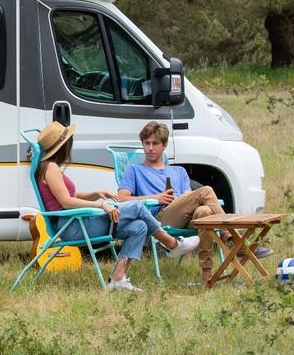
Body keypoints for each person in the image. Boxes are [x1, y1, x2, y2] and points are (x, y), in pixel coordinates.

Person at [34, 121, 198, 292]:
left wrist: (95, 193)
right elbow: (66, 202)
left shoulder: (50, 167)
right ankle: (171, 244)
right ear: (63, 146)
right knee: (136, 207)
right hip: (72, 226)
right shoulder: (51, 168)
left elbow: (70, 196)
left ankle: (118, 279)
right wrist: (101, 204)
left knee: (139, 227)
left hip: (75, 222)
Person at [115, 121, 272, 283]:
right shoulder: (134, 170)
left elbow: (189, 197)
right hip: (158, 219)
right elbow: (122, 199)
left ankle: (207, 276)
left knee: (203, 213)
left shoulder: (179, 171)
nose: (150, 148)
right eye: (146, 143)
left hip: (184, 216)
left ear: (164, 145)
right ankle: (236, 241)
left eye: (155, 143)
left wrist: (182, 199)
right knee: (206, 190)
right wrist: (156, 198)